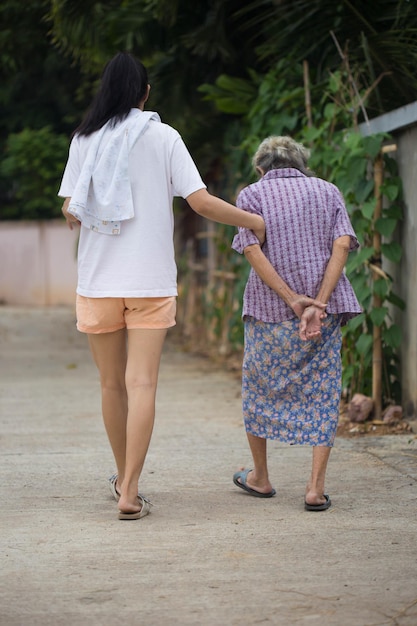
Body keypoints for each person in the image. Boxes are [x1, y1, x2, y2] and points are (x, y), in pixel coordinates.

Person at [58, 51, 267, 520]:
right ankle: (130, 487)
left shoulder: (84, 139)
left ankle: (122, 480)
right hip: (149, 279)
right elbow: (200, 201)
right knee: (143, 383)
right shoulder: (164, 135)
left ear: (105, 90)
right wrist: (256, 220)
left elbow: (71, 206)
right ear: (145, 93)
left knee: (112, 385)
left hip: (98, 281)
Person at [231, 135, 361, 511]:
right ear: (303, 164)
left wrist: (292, 299)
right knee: (323, 389)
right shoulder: (328, 190)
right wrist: (318, 303)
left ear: (261, 168)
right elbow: (342, 244)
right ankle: (315, 489)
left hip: (269, 311)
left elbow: (251, 250)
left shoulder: (251, 195)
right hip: (325, 310)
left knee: (259, 386)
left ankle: (260, 477)